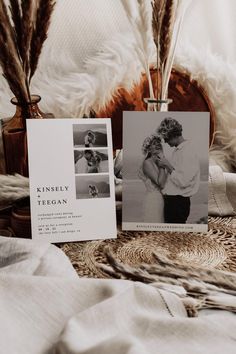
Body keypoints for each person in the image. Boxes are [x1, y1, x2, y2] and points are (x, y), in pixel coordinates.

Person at [156, 117, 200, 224]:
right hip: (174, 201)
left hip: (178, 203)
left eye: (166, 138)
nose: (165, 142)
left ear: (174, 135)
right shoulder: (180, 150)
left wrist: (167, 165)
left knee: (174, 236)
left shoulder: (187, 151)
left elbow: (183, 181)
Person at [139, 134, 167, 223]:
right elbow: (161, 184)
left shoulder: (157, 162)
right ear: (149, 148)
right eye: (154, 143)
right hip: (153, 201)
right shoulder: (147, 163)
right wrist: (163, 159)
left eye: (159, 143)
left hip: (160, 199)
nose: (158, 144)